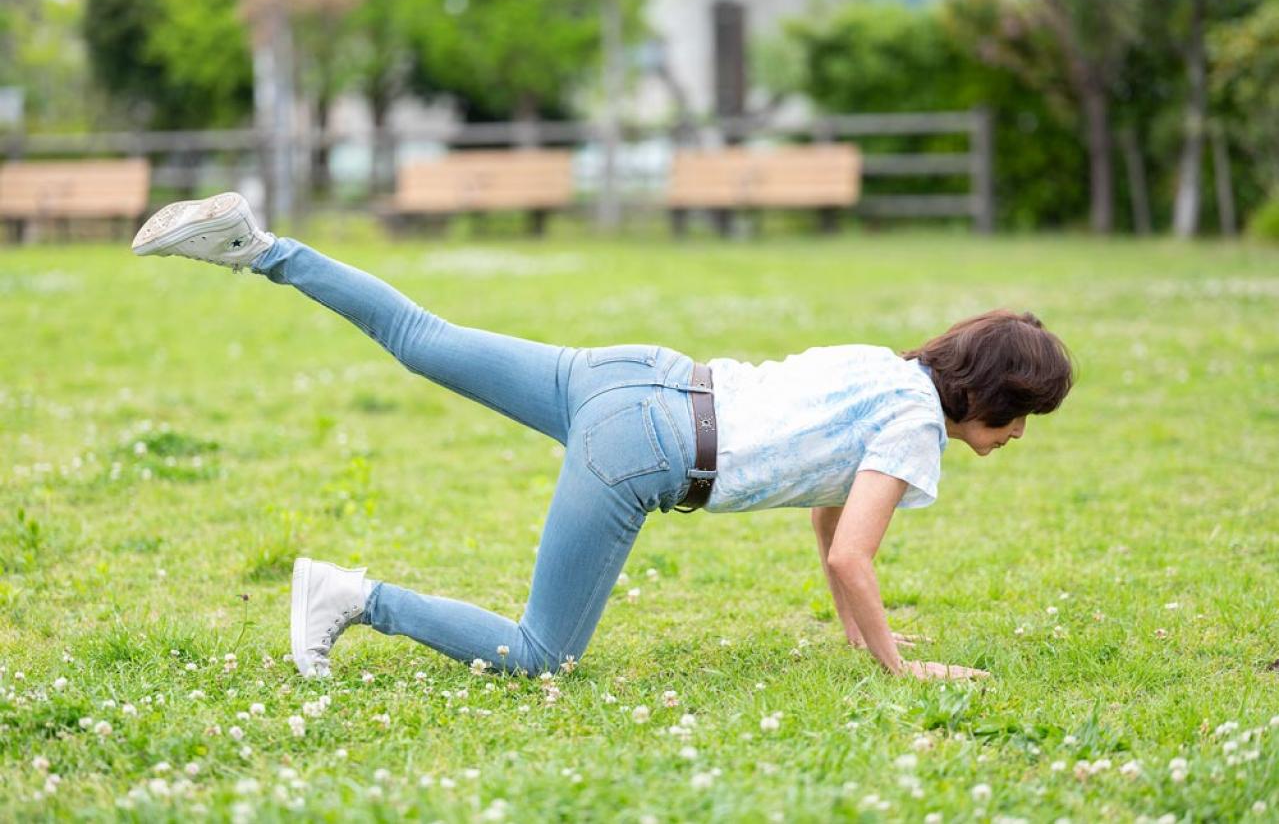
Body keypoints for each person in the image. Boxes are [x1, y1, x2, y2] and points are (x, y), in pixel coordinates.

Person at [131, 193, 1073, 682]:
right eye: (1018, 416)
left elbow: (833, 507)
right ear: (987, 394)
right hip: (650, 444)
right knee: (541, 653)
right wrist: (896, 664)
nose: (1015, 436)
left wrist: (854, 628)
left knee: (425, 339)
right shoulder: (917, 428)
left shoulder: (888, 371)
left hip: (633, 373)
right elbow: (851, 558)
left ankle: (260, 247)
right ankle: (351, 596)